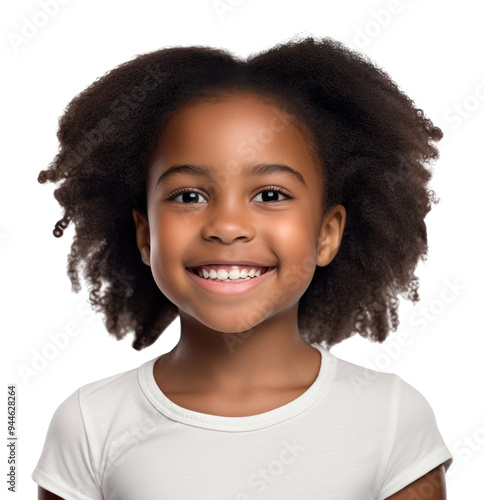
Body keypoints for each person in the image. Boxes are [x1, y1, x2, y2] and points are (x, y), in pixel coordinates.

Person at [32, 35, 453, 499]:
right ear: (146, 236)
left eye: (270, 195)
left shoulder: (391, 417)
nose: (227, 226)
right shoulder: (90, 423)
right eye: (188, 196)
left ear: (326, 234)